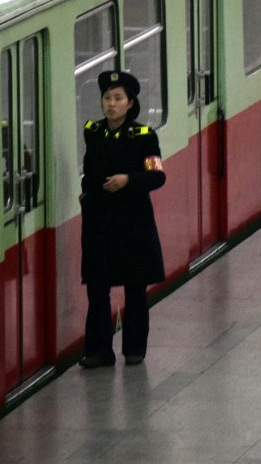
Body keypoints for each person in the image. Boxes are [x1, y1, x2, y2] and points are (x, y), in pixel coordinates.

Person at [78, 70, 166, 368]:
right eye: (107, 98)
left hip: (132, 225)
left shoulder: (144, 136)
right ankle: (99, 350)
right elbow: (89, 170)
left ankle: (134, 349)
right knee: (97, 289)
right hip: (100, 224)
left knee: (135, 289)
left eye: (118, 98)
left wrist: (128, 180)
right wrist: (86, 194)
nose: (111, 104)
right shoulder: (93, 132)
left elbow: (157, 175)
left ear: (130, 103)